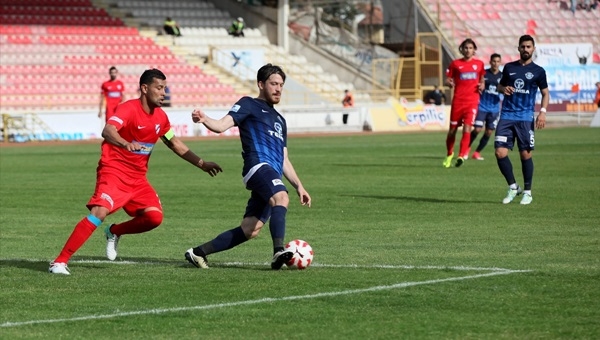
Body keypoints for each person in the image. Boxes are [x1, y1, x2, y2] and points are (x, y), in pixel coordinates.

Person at [48, 69, 223, 275]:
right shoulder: (128, 109)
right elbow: (108, 130)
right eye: (159, 88)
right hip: (114, 171)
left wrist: (202, 164)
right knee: (99, 212)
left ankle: (114, 231)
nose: (163, 93)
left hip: (137, 179)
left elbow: (175, 144)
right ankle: (59, 262)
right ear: (144, 88)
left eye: (165, 88)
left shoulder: (161, 118)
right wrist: (124, 143)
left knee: (154, 218)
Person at [185, 63, 311, 270]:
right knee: (281, 197)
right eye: (273, 84)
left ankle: (198, 253)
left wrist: (299, 186)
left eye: (281, 85)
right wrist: (205, 118)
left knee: (250, 229)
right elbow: (221, 125)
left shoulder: (280, 120)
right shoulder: (248, 104)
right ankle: (278, 251)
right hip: (258, 166)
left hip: (272, 172)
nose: (278, 89)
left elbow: (284, 159)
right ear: (261, 84)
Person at [495, 35, 549, 205]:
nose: (525, 49)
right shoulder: (509, 68)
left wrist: (542, 112)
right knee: (500, 152)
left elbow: (545, 93)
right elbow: (499, 86)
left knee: (525, 154)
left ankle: (527, 192)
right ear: (518, 48)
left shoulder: (539, 71)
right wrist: (504, 89)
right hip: (506, 116)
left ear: (533, 49)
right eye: (522, 47)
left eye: (528, 47)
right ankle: (513, 187)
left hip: (525, 117)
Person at [443, 38, 486, 168]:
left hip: (472, 101)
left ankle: (461, 155)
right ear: (462, 49)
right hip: (458, 101)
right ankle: (450, 153)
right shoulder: (455, 64)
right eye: (466, 48)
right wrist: (449, 83)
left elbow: (482, 79)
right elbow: (448, 79)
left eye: (470, 48)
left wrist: (482, 85)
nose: (468, 50)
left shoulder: (479, 64)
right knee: (452, 131)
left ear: (474, 50)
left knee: (467, 128)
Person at [469, 53, 503, 161]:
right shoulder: (484, 74)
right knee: (477, 129)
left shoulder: (502, 77)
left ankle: (477, 152)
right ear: (490, 62)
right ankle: (465, 147)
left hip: (494, 109)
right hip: (482, 106)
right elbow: (477, 85)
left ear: (500, 62)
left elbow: (505, 90)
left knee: (489, 132)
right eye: (494, 61)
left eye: (498, 61)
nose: (496, 64)